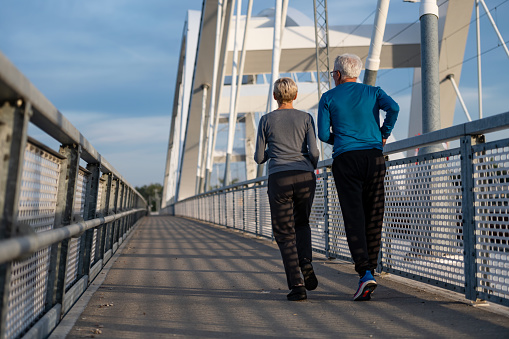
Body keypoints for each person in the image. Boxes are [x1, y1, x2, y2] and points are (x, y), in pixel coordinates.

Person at [317, 53, 399, 301]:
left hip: (346, 160)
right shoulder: (374, 92)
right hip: (374, 157)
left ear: (338, 75)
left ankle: (364, 273)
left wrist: (340, 140)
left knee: (354, 217)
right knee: (374, 214)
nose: (333, 78)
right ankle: (369, 271)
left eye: (333, 74)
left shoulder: (328, 97)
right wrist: (383, 134)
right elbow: (394, 108)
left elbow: (322, 133)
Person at [254, 77, 320, 301]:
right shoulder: (306, 117)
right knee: (302, 223)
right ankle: (306, 262)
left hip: (279, 178)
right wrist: (309, 167)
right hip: (304, 176)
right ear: (296, 95)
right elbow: (315, 152)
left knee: (284, 233)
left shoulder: (265, 120)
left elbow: (259, 157)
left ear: (275, 96)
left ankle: (297, 284)